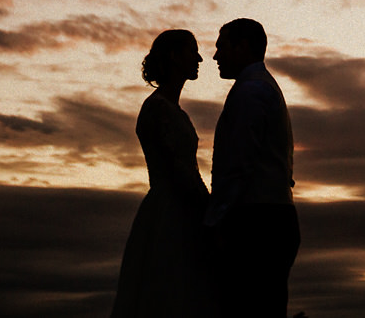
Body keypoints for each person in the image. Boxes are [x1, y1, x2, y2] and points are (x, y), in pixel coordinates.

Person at [111, 29, 219, 317]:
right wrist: (208, 208)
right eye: (191, 51)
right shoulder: (157, 109)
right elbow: (177, 169)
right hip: (171, 214)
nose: (199, 58)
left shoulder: (175, 110)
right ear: (173, 56)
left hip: (183, 209)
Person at [207, 18, 299, 318]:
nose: (215, 56)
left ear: (243, 46)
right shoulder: (265, 88)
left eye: (222, 47)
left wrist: (215, 222)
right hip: (273, 218)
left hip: (256, 224)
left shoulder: (250, 92)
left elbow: (237, 164)